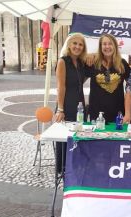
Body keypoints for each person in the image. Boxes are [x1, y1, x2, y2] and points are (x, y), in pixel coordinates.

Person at [54, 33, 88, 172]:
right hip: (67, 104)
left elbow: (81, 80)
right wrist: (60, 109)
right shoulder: (63, 61)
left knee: (78, 134)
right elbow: (61, 87)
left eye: (80, 44)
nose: (77, 47)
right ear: (69, 45)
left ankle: (75, 166)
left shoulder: (80, 63)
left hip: (79, 103)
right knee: (65, 137)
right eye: (75, 43)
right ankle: (63, 168)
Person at [87, 34, 131, 123]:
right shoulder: (93, 63)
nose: (107, 46)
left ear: (115, 46)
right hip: (97, 114)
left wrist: (128, 113)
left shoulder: (122, 64)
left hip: (117, 114)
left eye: (110, 44)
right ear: (100, 46)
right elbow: (78, 82)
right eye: (104, 44)